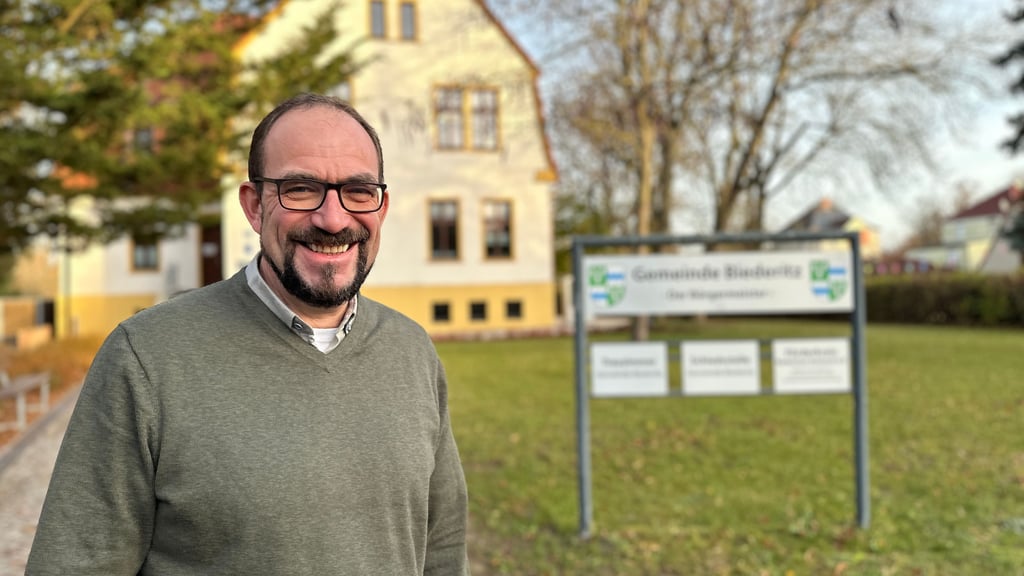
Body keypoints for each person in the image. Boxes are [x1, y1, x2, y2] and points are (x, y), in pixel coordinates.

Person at [26, 93, 470, 575]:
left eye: (359, 191)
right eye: (301, 188)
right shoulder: (148, 359)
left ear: (381, 207)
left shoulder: (412, 352)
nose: (333, 218)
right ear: (255, 206)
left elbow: (441, 546)